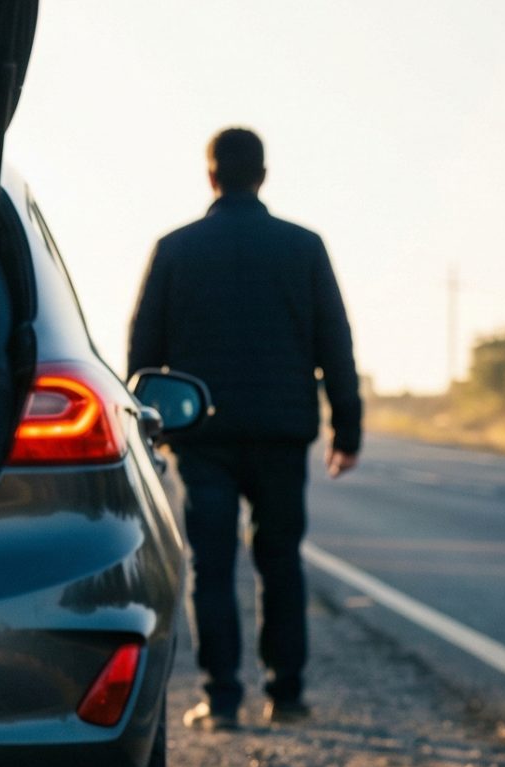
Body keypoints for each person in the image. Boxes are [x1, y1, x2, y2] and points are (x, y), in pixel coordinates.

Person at [129, 126, 362, 730]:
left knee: (211, 565)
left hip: (201, 434)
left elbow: (143, 353)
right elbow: (335, 343)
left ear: (211, 176)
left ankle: (222, 699)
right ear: (263, 175)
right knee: (281, 561)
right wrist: (348, 430)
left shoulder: (175, 249)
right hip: (283, 433)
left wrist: (147, 428)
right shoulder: (304, 247)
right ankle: (286, 697)